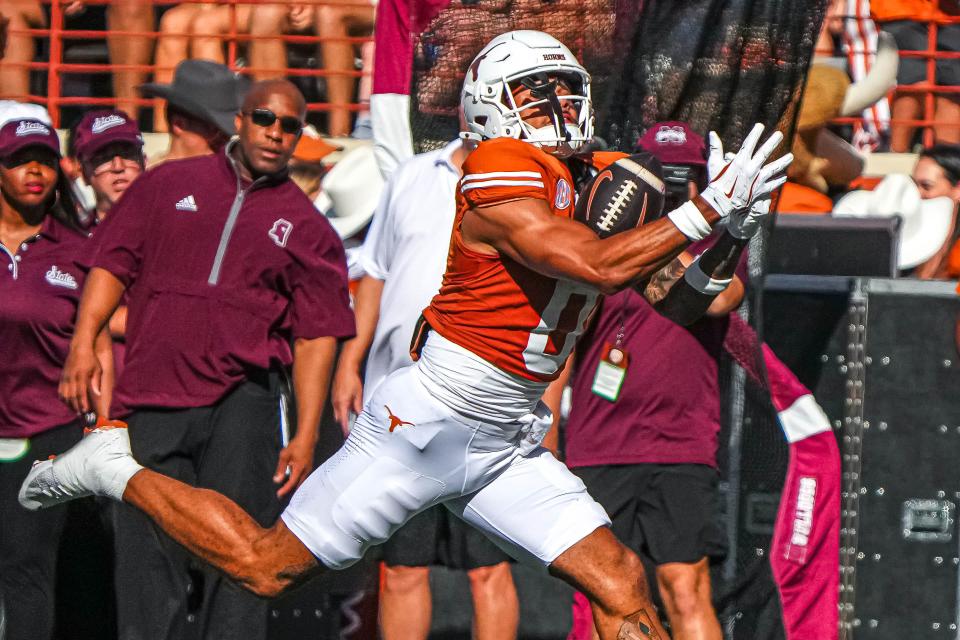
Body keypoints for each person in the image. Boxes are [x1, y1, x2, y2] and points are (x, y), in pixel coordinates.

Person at [21, 31, 791, 640]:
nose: (558, 103)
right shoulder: (496, 166)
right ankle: (114, 469)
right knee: (263, 566)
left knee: (623, 581)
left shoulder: (607, 171)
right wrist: (700, 213)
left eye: (567, 86)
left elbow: (683, 299)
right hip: (430, 421)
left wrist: (729, 234)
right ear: (491, 107)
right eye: (537, 90)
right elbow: (584, 260)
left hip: (508, 436)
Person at [46, 79, 355, 640]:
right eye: (265, 118)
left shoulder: (310, 229)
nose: (276, 133)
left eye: (289, 125)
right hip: (151, 393)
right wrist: (82, 343)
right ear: (239, 120)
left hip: (243, 401)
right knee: (145, 557)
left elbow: (317, 337)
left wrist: (306, 434)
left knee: (240, 556)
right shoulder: (167, 183)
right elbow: (111, 265)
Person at [555, 122, 744, 640]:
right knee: (603, 590)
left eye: (685, 174)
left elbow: (724, 297)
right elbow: (562, 344)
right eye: (660, 175)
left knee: (686, 584)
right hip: (598, 444)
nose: (673, 185)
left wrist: (672, 228)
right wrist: (548, 440)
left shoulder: (716, 244)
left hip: (680, 443)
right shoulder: (599, 243)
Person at [331, 137, 520, 640]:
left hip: (483, 405)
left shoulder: (524, 182)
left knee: (488, 568)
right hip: (400, 407)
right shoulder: (412, 175)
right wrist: (350, 360)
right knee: (402, 568)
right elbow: (374, 274)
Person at [0, 117, 112, 640]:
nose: (34, 172)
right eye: (20, 160)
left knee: (28, 571)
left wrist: (103, 423)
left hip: (48, 434)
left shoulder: (77, 249)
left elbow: (102, 342)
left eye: (44, 160)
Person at [871, 0, 960, 150]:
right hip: (901, 11)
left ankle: (944, 163)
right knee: (915, 84)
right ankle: (895, 158)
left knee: (951, 92)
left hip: (950, 15)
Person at [139, 59, 248, 164]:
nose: (224, 140)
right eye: (214, 129)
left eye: (227, 132)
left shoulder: (235, 177)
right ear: (179, 124)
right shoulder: (148, 180)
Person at [72, 109, 145, 224]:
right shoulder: (72, 239)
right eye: (103, 158)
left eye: (127, 154)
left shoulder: (168, 229)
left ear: (144, 162)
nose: (118, 167)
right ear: (83, 173)